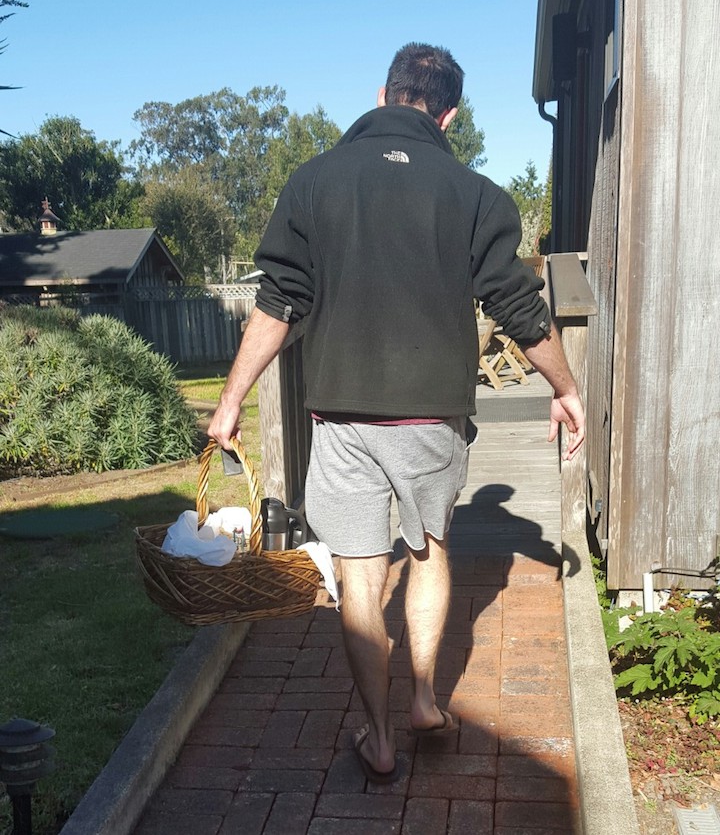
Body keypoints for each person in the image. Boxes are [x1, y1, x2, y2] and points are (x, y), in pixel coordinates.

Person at [207, 42, 584, 784]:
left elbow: (279, 301)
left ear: (383, 93)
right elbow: (518, 305)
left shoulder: (312, 182)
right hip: (432, 418)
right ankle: (421, 699)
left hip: (341, 416)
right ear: (447, 113)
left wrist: (229, 401)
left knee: (357, 575)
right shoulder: (475, 192)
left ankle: (377, 737)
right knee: (428, 553)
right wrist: (565, 388)